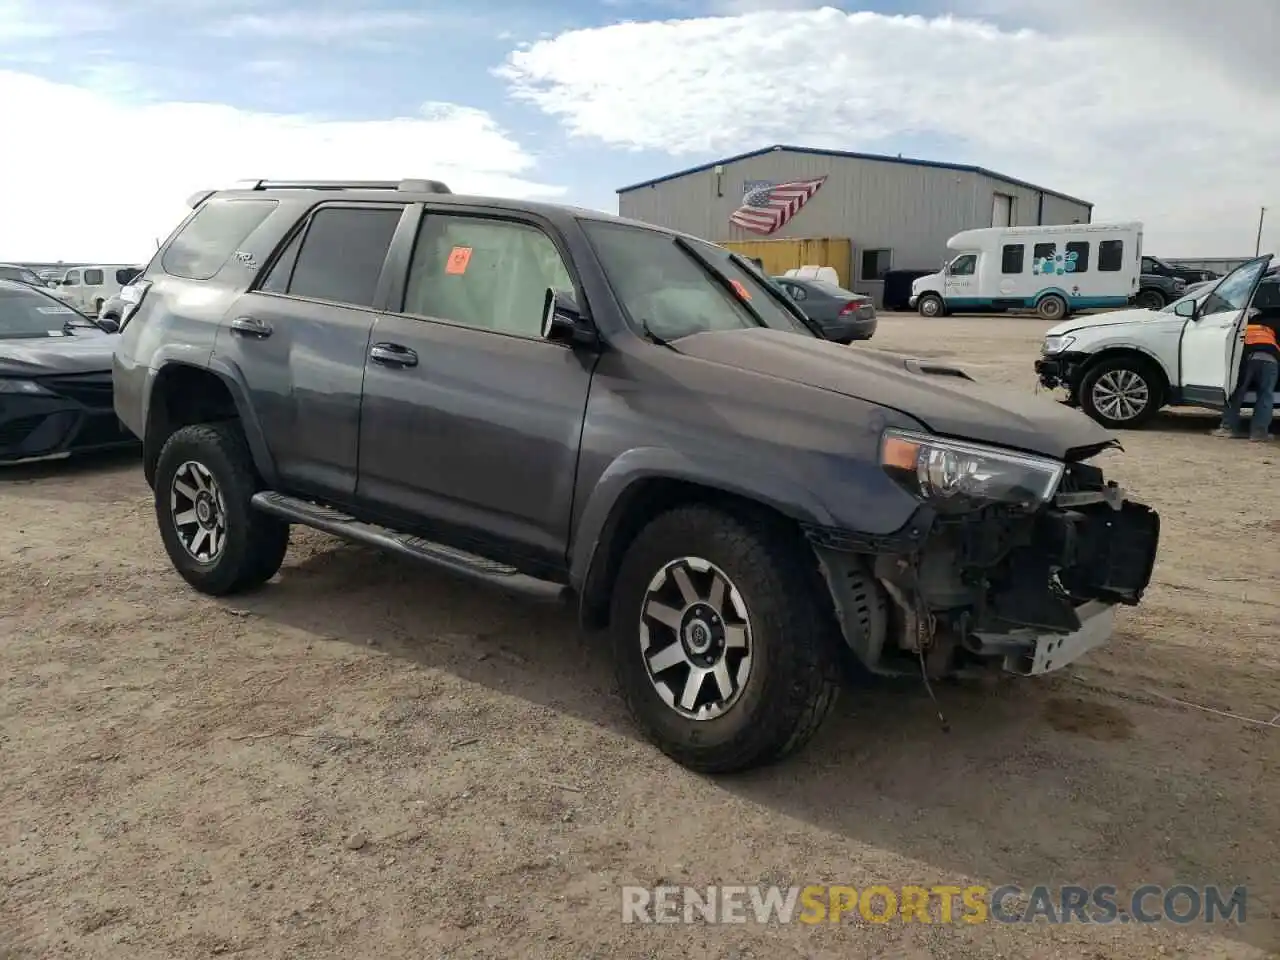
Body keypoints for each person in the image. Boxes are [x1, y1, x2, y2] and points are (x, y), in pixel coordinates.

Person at [1212, 309, 1279, 442]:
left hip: (1249, 359)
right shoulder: (1267, 329)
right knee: (1266, 395)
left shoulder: (1241, 328)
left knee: (1236, 392)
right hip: (1271, 361)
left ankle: (1227, 428)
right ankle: (1259, 433)